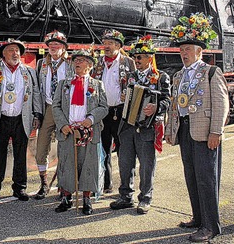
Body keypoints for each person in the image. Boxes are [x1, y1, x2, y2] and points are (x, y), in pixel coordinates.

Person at [165, 13, 229, 242]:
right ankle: (198, 217)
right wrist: (171, 130)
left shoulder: (211, 72)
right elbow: (175, 104)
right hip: (185, 129)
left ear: (199, 52)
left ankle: (211, 226)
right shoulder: (179, 75)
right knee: (191, 175)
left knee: (206, 178)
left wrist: (216, 132)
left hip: (204, 132)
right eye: (182, 50)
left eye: (189, 50)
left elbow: (222, 103)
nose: (184, 54)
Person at [110, 35, 171, 214]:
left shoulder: (161, 77)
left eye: (140, 57)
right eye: (135, 57)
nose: (136, 60)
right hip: (128, 125)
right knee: (125, 162)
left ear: (149, 58)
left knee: (146, 164)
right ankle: (125, 196)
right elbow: (126, 96)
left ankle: (145, 198)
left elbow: (167, 99)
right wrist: (123, 98)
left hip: (147, 127)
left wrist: (157, 106)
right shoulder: (130, 76)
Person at [53, 49, 107, 214]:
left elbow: (104, 107)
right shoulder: (64, 84)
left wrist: (90, 119)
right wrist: (62, 124)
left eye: (82, 60)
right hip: (68, 131)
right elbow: (55, 105)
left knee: (88, 165)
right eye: (76, 60)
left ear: (90, 65)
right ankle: (66, 198)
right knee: (67, 164)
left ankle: (86, 200)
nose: (78, 63)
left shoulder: (97, 85)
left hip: (88, 131)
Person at [0, 39, 42, 204]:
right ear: (3, 53)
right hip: (1, 119)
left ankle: (20, 188)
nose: (15, 53)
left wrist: (37, 114)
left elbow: (36, 93)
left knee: (20, 155)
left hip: (21, 118)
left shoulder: (28, 72)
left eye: (17, 51)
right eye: (11, 50)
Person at [93, 29, 136, 193]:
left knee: (124, 150)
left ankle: (126, 187)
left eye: (110, 43)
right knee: (103, 149)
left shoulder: (128, 62)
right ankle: (106, 184)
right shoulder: (98, 63)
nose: (106, 46)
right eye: (105, 43)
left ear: (118, 45)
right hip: (103, 111)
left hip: (120, 111)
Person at [33, 30, 74, 200]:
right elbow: (37, 89)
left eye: (57, 45)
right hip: (49, 107)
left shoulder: (72, 63)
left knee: (66, 147)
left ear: (64, 48)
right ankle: (43, 183)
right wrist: (37, 112)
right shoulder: (41, 64)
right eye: (51, 45)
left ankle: (64, 184)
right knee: (41, 147)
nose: (53, 47)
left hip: (67, 108)